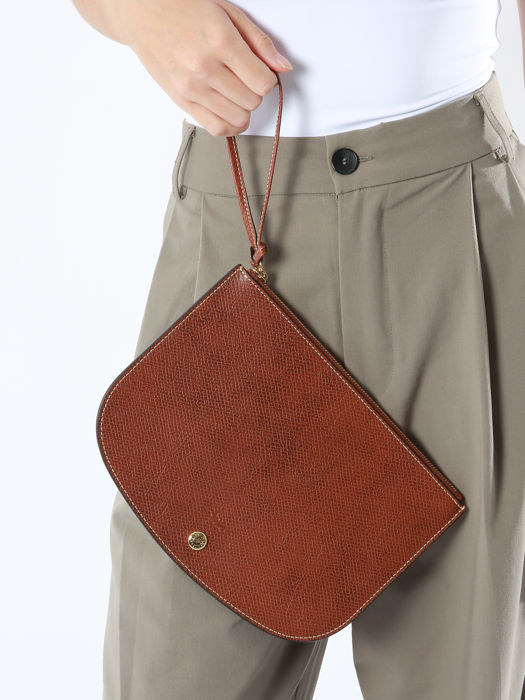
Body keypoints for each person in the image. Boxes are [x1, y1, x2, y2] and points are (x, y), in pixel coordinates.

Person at [73, 1, 525, 698]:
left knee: (462, 667)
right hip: (240, 221)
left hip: (457, 221)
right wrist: (138, 12)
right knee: (175, 662)